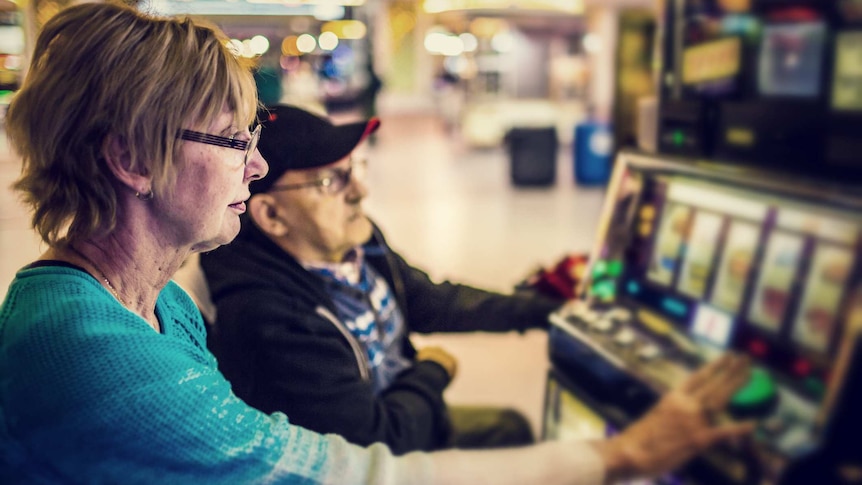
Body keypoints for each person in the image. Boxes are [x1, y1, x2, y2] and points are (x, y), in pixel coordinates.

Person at [0, 2, 754, 484]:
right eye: (233, 140)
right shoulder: (82, 346)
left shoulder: (160, 299)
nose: (256, 166)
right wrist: (619, 454)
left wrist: (542, 306)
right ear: (130, 159)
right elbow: (342, 471)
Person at [200, 104, 566, 454]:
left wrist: (543, 311)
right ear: (271, 214)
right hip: (373, 460)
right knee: (508, 431)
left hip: (407, 415)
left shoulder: (355, 243)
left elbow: (429, 300)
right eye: (330, 181)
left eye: (354, 170)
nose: (359, 192)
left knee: (509, 428)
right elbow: (376, 443)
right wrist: (433, 371)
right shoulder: (267, 314)